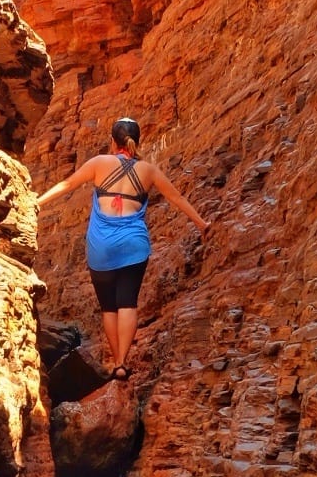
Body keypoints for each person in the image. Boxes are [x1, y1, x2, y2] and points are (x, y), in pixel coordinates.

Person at [36, 117, 210, 380]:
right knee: (127, 301)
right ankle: (121, 362)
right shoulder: (148, 170)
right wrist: (202, 224)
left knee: (109, 307)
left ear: (112, 141)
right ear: (136, 142)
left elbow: (67, 185)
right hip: (133, 245)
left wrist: (36, 202)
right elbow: (177, 197)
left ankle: (115, 363)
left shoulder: (99, 163)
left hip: (101, 246)